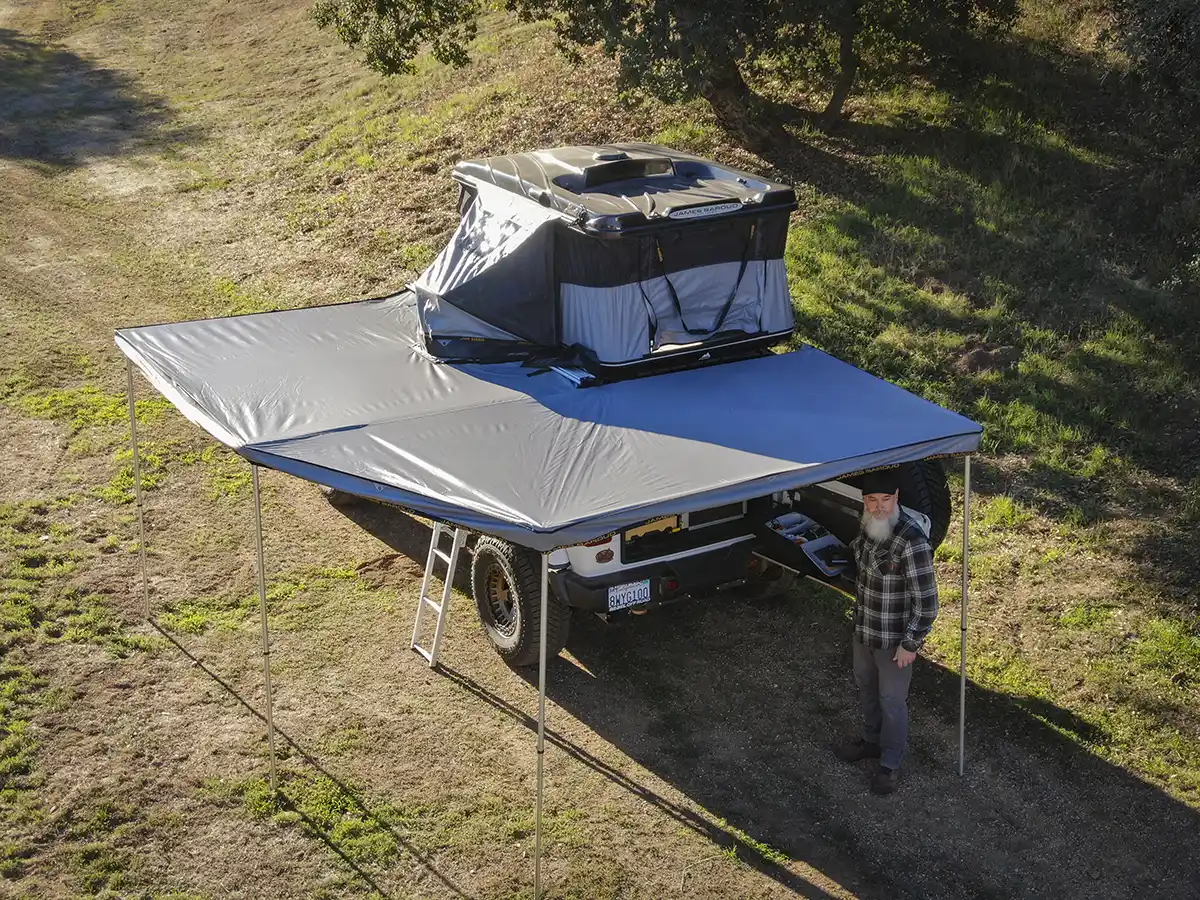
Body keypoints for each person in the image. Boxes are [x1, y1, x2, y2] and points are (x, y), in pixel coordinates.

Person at [834, 468, 939, 794]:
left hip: (894, 642)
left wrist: (911, 644)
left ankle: (889, 764)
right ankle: (871, 740)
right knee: (865, 687)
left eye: (885, 500)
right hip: (864, 631)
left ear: (897, 497)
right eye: (871, 500)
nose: (879, 507)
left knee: (892, 701)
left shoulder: (911, 540)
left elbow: (928, 603)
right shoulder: (869, 528)